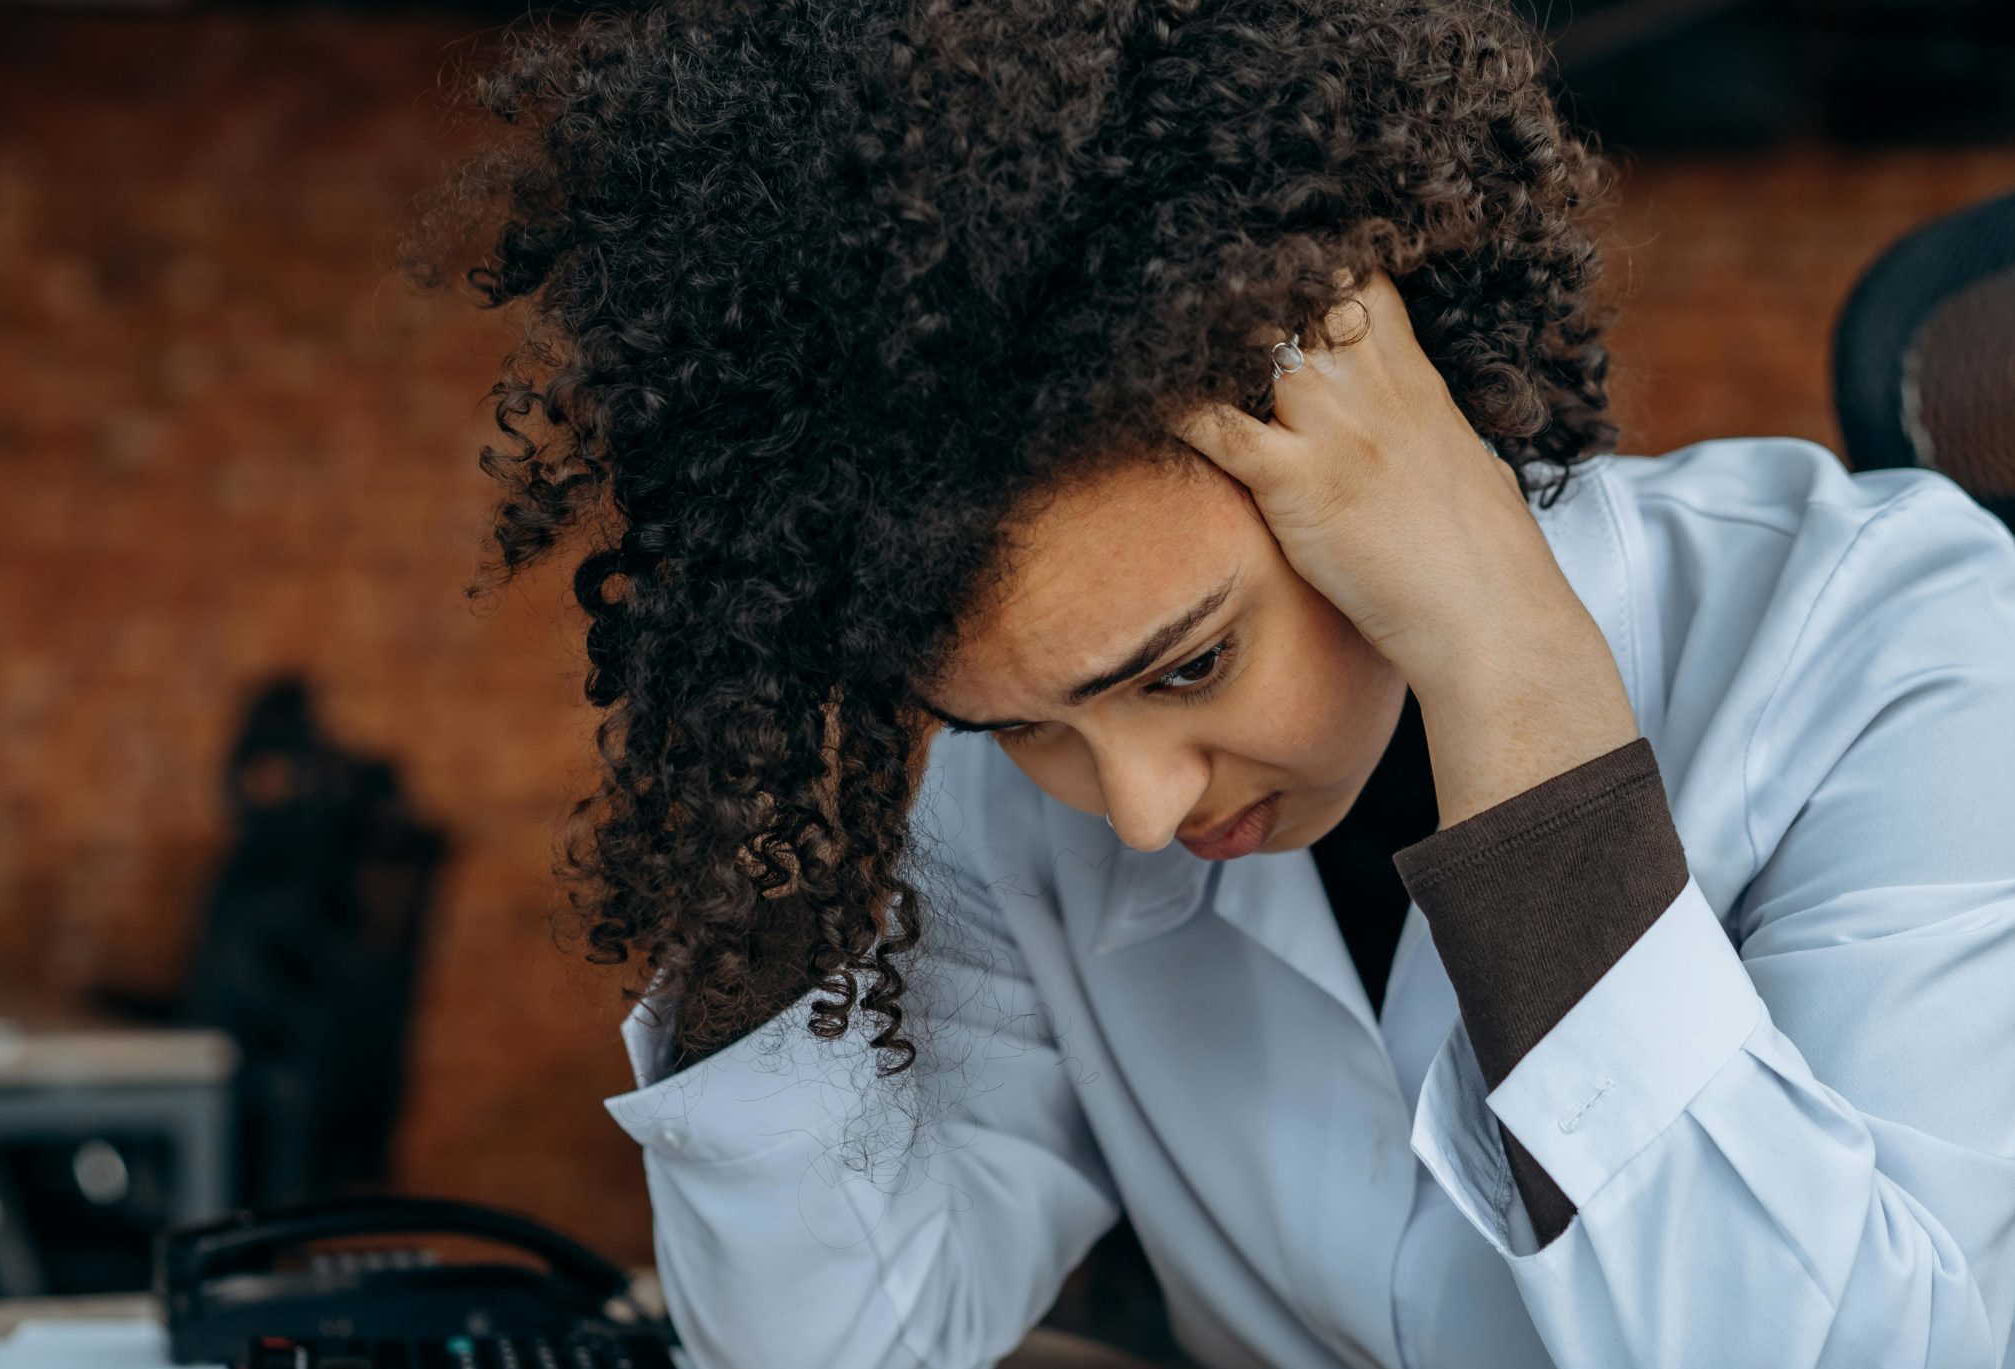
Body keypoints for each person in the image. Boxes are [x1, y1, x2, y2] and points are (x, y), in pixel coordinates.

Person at [416, 0, 2015, 1364]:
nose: (1131, 804)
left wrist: (1501, 643)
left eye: (1193, 662)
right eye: (1019, 719)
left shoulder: (1886, 638)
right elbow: (833, 1341)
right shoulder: (1018, 803)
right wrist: (773, 783)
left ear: (1396, 424)